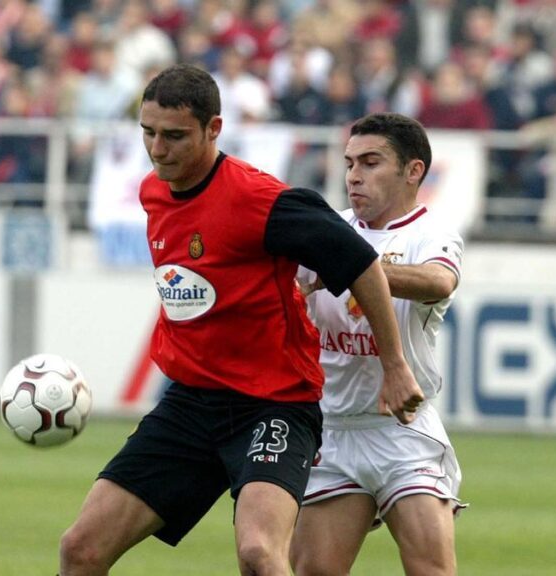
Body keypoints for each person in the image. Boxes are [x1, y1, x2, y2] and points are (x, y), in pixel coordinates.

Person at [58, 64, 423, 576]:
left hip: (273, 404)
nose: (158, 149)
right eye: (148, 132)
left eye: (174, 136)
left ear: (214, 129)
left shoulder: (262, 201)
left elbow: (362, 263)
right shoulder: (153, 192)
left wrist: (395, 364)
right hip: (189, 404)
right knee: (80, 549)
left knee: (258, 553)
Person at [290, 113, 467, 576]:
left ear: (413, 171)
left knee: (431, 570)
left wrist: (352, 268)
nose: (354, 176)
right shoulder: (327, 230)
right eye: (350, 163)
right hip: (331, 430)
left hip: (402, 429)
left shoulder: (432, 233)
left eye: (370, 163)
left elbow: (438, 282)